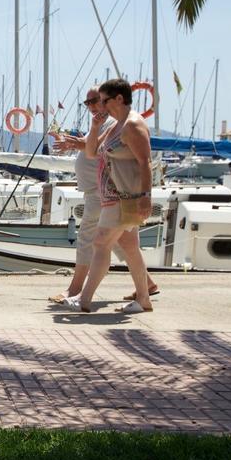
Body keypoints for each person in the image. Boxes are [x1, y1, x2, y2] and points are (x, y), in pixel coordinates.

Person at [51, 88, 158, 304]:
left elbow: (144, 161)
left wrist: (146, 195)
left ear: (114, 100)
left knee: (94, 241)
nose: (92, 106)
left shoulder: (125, 124)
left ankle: (79, 294)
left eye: (97, 101)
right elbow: (93, 150)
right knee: (124, 243)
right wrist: (83, 137)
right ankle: (145, 290)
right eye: (87, 102)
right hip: (106, 193)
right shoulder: (110, 124)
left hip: (112, 194)